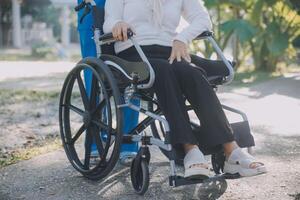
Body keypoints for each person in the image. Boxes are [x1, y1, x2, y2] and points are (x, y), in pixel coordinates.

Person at [103, 0, 267, 179]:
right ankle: (190, 149)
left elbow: (202, 19)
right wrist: (117, 24)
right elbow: (109, 22)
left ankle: (231, 150)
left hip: (170, 51)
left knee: (193, 72)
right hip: (133, 53)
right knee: (163, 71)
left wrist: (182, 38)